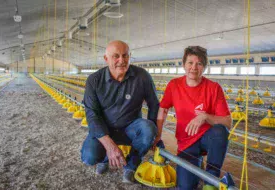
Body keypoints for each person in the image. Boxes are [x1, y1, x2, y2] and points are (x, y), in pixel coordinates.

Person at [81, 40, 159, 183]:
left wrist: (155, 134)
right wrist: (109, 146)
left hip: (131, 127)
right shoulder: (94, 80)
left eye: (125, 56)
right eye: (116, 56)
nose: (121, 60)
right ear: (106, 59)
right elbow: (92, 114)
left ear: (129, 56)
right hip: (105, 129)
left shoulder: (142, 76)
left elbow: (154, 104)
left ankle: (131, 164)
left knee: (149, 129)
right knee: (89, 157)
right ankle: (104, 159)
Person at [154, 46, 231, 190]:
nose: (194, 67)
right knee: (185, 187)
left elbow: (227, 122)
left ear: (204, 67)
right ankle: (196, 163)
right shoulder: (174, 85)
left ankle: (211, 180)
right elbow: (163, 109)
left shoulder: (214, 88)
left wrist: (205, 116)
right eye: (190, 63)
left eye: (199, 63)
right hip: (186, 141)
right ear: (184, 65)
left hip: (207, 138)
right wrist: (158, 135)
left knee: (220, 132)